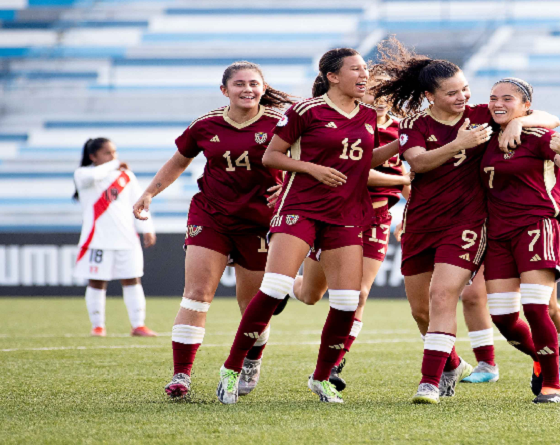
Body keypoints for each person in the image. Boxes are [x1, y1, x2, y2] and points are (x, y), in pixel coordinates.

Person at [372, 39, 560, 404]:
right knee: (421, 311)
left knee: (443, 295)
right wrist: (459, 144)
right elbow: (419, 162)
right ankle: (456, 363)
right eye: (452, 93)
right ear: (429, 96)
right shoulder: (414, 124)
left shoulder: (481, 114)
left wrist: (518, 123)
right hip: (421, 223)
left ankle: (429, 382)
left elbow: (551, 119)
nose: (463, 97)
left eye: (465, 89)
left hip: (467, 224)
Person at [216, 48, 400, 405]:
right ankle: (232, 368)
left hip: (345, 214)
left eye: (365, 69)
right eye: (356, 69)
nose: (364, 75)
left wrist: (399, 144)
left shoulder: (366, 115)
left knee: (347, 300)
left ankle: (322, 377)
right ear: (333, 76)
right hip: (300, 208)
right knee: (275, 287)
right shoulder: (305, 111)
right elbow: (271, 156)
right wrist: (313, 169)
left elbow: (362, 162)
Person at [133, 61, 290, 398]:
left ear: (263, 88)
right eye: (239, 84)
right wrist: (148, 193)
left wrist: (290, 186)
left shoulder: (282, 124)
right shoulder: (205, 125)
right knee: (197, 293)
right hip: (211, 216)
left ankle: (252, 359)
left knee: (252, 306)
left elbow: (309, 161)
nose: (247, 89)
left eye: (253, 84)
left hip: (261, 223)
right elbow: (179, 161)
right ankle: (181, 375)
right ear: (224, 90)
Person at [287, 68, 411, 392]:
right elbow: (357, 172)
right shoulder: (349, 124)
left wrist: (412, 205)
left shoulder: (400, 129)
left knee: (359, 293)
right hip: (335, 214)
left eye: (385, 93)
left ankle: (334, 362)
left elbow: (408, 175)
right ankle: (285, 286)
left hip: (377, 217)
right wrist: (404, 179)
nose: (380, 99)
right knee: (311, 295)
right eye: (373, 91)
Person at [480, 78, 560, 403]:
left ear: (526, 106)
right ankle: (542, 357)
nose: (498, 103)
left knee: (538, 308)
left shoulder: (539, 135)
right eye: (493, 98)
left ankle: (553, 384)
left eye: (507, 98)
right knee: (503, 318)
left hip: (536, 227)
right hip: (497, 234)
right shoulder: (483, 135)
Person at [73, 138, 157, 338]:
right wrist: (114, 164)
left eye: (115, 152)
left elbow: (139, 203)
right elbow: (94, 175)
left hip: (126, 238)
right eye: (107, 153)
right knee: (97, 282)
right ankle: (98, 326)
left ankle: (138, 325)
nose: (113, 157)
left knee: (133, 280)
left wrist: (147, 227)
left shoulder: (125, 176)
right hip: (97, 239)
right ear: (93, 156)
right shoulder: (83, 174)